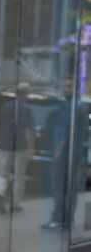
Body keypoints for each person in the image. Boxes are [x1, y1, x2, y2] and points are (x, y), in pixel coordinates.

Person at [41, 76, 88, 230]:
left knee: (60, 186)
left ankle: (59, 218)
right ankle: (66, 219)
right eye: (64, 86)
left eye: (68, 87)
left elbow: (65, 131)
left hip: (66, 154)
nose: (65, 89)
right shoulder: (76, 105)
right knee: (68, 188)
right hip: (72, 154)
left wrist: (58, 151)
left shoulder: (73, 106)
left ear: (75, 89)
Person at [0, 83, 34, 214]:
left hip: (3, 144)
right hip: (20, 145)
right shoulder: (27, 109)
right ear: (26, 94)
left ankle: (0, 192)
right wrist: (30, 147)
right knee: (18, 175)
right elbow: (28, 131)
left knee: (3, 173)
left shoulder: (6, 107)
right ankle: (14, 203)